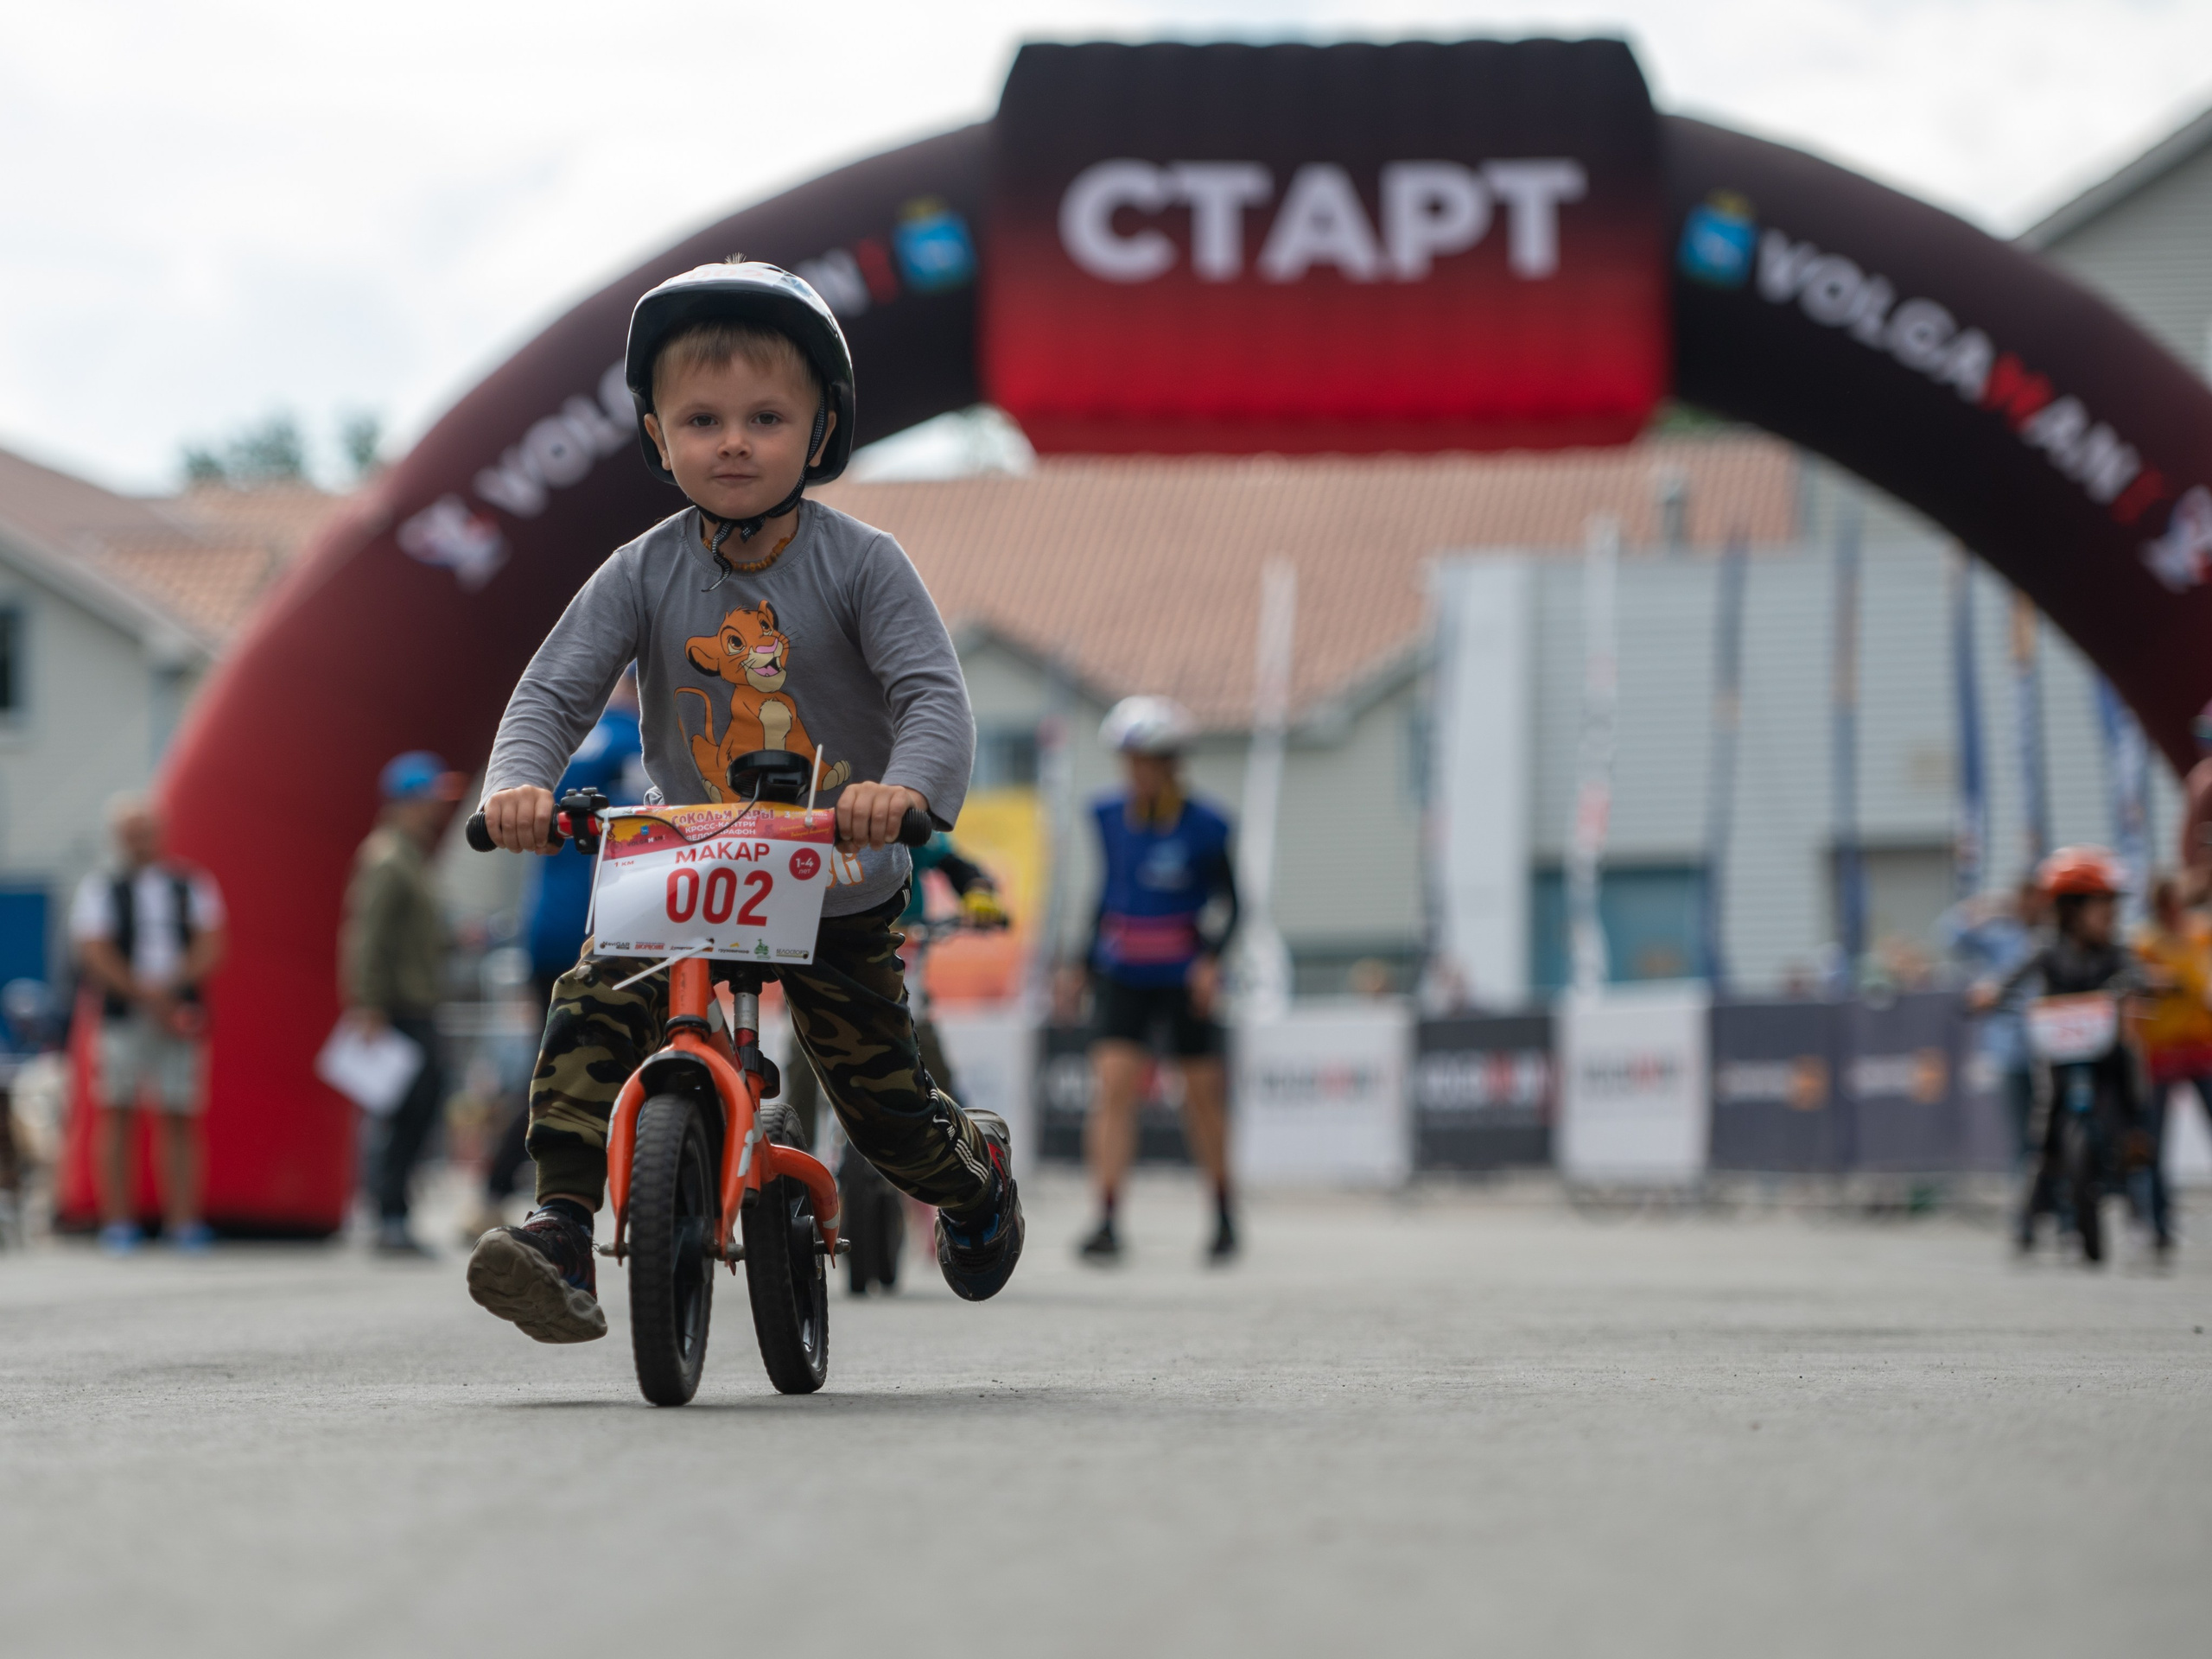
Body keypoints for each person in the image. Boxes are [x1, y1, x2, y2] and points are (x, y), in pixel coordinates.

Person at [465, 259, 1021, 1344]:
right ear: (655, 437)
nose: (733, 442)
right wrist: (517, 789)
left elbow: (930, 699)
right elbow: (551, 693)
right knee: (592, 1010)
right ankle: (564, 1226)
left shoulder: (864, 565)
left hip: (838, 875)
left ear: (821, 433)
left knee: (884, 1110)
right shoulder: (638, 571)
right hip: (685, 866)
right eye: (702, 419)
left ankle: (973, 1178)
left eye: (766, 418)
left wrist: (903, 793)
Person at [461, 671, 645, 1241]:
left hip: (547, 927)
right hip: (612, 924)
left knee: (552, 1065)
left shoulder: (569, 740)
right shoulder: (635, 742)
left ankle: (496, 1189)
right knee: (610, 1062)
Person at [1077, 696, 1239, 1265]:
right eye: (1129, 760)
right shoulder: (1106, 817)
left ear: (1172, 763)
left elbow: (1232, 905)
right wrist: (1079, 964)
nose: (1137, 771)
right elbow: (1104, 895)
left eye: (1148, 760)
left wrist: (1212, 960)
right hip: (1124, 972)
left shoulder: (1209, 825)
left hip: (1183, 974)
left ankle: (1222, 1214)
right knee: (1113, 1090)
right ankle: (1106, 1217)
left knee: (1201, 1097)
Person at [1973, 847, 2165, 1257]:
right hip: (2059, 1050)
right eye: (2103, 906)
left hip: (2105, 1049)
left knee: (2134, 1098)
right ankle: (2028, 1220)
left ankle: (2141, 1212)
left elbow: (2136, 972)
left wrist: (2150, 983)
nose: (2111, 915)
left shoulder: (2115, 952)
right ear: (2071, 911)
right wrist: (1989, 994)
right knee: (2044, 1128)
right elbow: (2010, 978)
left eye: (2114, 906)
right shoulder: (2045, 950)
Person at [70, 794, 227, 1253]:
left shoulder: (191, 884)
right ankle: (117, 1221)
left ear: (160, 832)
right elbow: (96, 952)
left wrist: (171, 990)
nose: (139, 840)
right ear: (119, 838)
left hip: (178, 1013)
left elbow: (211, 945)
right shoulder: (100, 888)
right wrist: (146, 995)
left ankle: (183, 1222)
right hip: (124, 1017)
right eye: (130, 832)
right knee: (116, 1112)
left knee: (180, 1114)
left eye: (146, 830)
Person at [341, 751, 464, 1256]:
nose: (437, 809)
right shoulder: (388, 857)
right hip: (396, 1006)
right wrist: (366, 1003)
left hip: (419, 1001)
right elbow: (366, 935)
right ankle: (387, 1215)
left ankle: (396, 1214)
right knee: (400, 1114)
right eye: (431, 798)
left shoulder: (412, 855)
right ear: (407, 801)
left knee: (421, 1109)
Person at [1942, 876, 2047, 1166]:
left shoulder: (2052, 939)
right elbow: (1952, 934)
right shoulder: (2002, 937)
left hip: (2051, 1048)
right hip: (2013, 1052)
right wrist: (1990, 905)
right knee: (2020, 1133)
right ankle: (2028, 1200)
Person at [2132, 870, 2212, 1190]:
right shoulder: (2144, 942)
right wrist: (2162, 981)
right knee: (2154, 1137)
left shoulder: (2201, 932)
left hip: (2200, 1043)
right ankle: (2155, 1221)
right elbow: (2136, 981)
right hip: (2160, 1048)